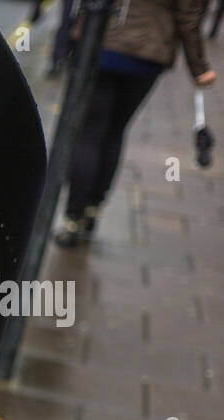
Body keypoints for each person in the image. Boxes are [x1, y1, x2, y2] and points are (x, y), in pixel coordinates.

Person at [56, 0, 216, 248]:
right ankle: (92, 209)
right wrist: (199, 68)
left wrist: (65, 41)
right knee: (115, 130)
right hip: (147, 52)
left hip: (102, 41)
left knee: (90, 132)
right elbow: (189, 16)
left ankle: (72, 218)